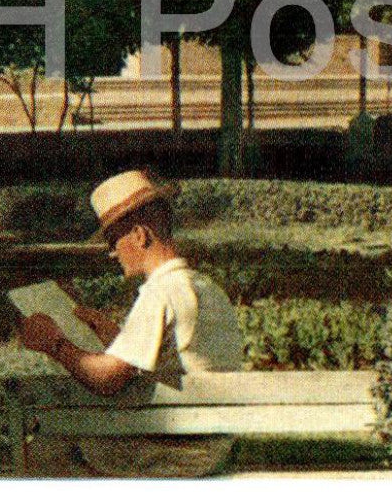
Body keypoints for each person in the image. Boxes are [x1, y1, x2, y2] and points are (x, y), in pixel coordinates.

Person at [19, 170, 244, 477]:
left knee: (45, 447)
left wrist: (55, 344)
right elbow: (174, 358)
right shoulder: (205, 286)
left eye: (113, 240)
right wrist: (113, 336)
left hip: (173, 454)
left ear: (140, 235)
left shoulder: (159, 291)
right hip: (213, 446)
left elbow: (107, 380)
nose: (111, 253)